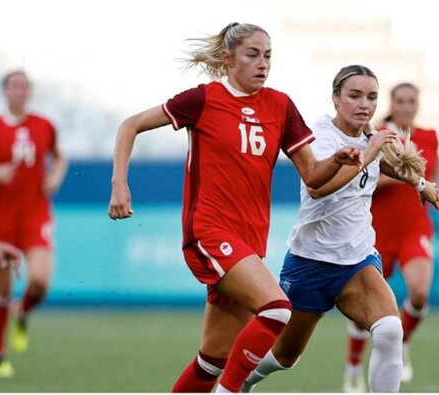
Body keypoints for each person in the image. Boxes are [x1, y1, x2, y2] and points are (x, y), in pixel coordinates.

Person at [107, 22, 363, 393]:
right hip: (208, 232)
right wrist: (119, 183)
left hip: (249, 241)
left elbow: (313, 176)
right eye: (253, 54)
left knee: (212, 360)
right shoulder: (203, 99)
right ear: (227, 60)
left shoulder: (280, 104)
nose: (263, 64)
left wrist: (339, 159)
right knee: (277, 309)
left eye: (268, 56)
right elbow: (131, 125)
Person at [239, 65, 439, 393]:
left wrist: (418, 182)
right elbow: (319, 187)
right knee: (286, 356)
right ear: (336, 99)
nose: (365, 104)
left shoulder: (369, 138)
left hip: (357, 261)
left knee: (390, 330)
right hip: (311, 262)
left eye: (372, 97)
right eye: (355, 95)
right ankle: (243, 379)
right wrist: (369, 152)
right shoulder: (318, 136)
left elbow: (386, 163)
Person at [343, 82, 439, 391]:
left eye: (411, 101)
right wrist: (404, 176)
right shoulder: (378, 136)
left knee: (419, 292)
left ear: (417, 104)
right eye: (400, 101)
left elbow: (433, 173)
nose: (405, 106)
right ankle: (353, 367)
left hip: (414, 226)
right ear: (392, 103)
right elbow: (364, 179)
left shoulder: (429, 137)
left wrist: (433, 190)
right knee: (365, 309)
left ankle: (403, 344)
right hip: (377, 231)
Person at [0, 69, 68, 379]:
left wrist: (56, 177)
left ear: (29, 92)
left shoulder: (44, 125)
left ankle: (23, 312)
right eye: (14, 86)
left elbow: (60, 157)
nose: (20, 91)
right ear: (5, 91)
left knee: (40, 281)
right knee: (1, 290)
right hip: (0, 222)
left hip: (35, 217)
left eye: (24, 86)